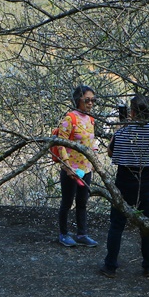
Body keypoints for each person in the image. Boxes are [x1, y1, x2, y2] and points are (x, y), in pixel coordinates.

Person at [101, 94, 149, 278]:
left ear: (133, 112)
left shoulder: (123, 132)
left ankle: (110, 265)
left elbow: (111, 153)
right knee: (148, 225)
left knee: (117, 225)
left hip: (124, 184)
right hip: (147, 184)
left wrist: (120, 129)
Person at [52, 85, 98, 247]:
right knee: (67, 202)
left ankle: (82, 234)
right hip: (70, 169)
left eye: (93, 100)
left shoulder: (90, 119)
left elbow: (91, 142)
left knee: (82, 202)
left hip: (85, 168)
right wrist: (67, 167)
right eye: (87, 100)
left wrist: (93, 162)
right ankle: (63, 233)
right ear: (78, 99)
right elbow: (60, 144)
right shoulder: (69, 119)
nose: (91, 103)